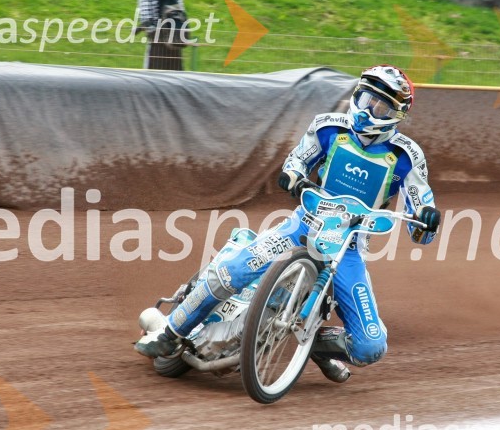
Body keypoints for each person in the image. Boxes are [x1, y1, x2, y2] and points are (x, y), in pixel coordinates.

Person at [136, 65, 441, 383]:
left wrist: (427, 221)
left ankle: (313, 345)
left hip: (347, 248)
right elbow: (297, 161)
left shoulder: (407, 156)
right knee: (234, 271)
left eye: (379, 105)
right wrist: (294, 176)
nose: (367, 109)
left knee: (370, 346)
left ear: (397, 113)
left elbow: (421, 224)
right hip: (303, 225)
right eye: (365, 98)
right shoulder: (327, 127)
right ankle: (171, 331)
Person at [136, 0, 184, 71]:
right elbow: (181, 11)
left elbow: (146, 18)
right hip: (175, 39)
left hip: (157, 41)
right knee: (175, 80)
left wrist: (150, 31)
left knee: (154, 81)